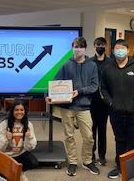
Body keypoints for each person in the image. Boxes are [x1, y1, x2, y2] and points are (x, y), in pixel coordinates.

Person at [45, 37, 99, 177]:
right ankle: (73, 162)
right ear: (72, 48)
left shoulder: (92, 66)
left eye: (81, 46)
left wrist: (79, 91)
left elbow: (94, 86)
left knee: (89, 137)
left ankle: (87, 161)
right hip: (67, 107)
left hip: (84, 107)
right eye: (75, 46)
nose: (78, 49)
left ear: (85, 48)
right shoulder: (66, 65)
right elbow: (55, 82)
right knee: (69, 136)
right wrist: (48, 94)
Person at [101, 39, 134, 179]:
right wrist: (111, 103)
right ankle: (120, 167)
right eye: (117, 48)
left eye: (122, 48)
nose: (120, 51)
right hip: (116, 112)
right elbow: (103, 89)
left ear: (128, 50)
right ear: (113, 50)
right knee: (120, 140)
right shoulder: (107, 68)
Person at [0, 100, 38, 181]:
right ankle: (16, 173)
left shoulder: (28, 125)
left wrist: (29, 137)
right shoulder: (4, 124)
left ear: (25, 111)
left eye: (21, 110)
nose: (19, 112)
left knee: (33, 161)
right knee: (4, 175)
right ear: (12, 111)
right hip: (7, 155)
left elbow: (30, 147)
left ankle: (20, 172)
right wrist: (5, 138)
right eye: (16, 110)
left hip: (20, 154)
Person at [90, 37, 112, 166]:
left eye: (103, 44)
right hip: (92, 101)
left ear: (106, 46)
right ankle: (91, 155)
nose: (100, 46)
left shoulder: (110, 62)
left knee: (103, 129)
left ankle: (102, 155)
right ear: (94, 45)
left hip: (104, 102)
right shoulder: (89, 62)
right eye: (98, 44)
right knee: (91, 130)